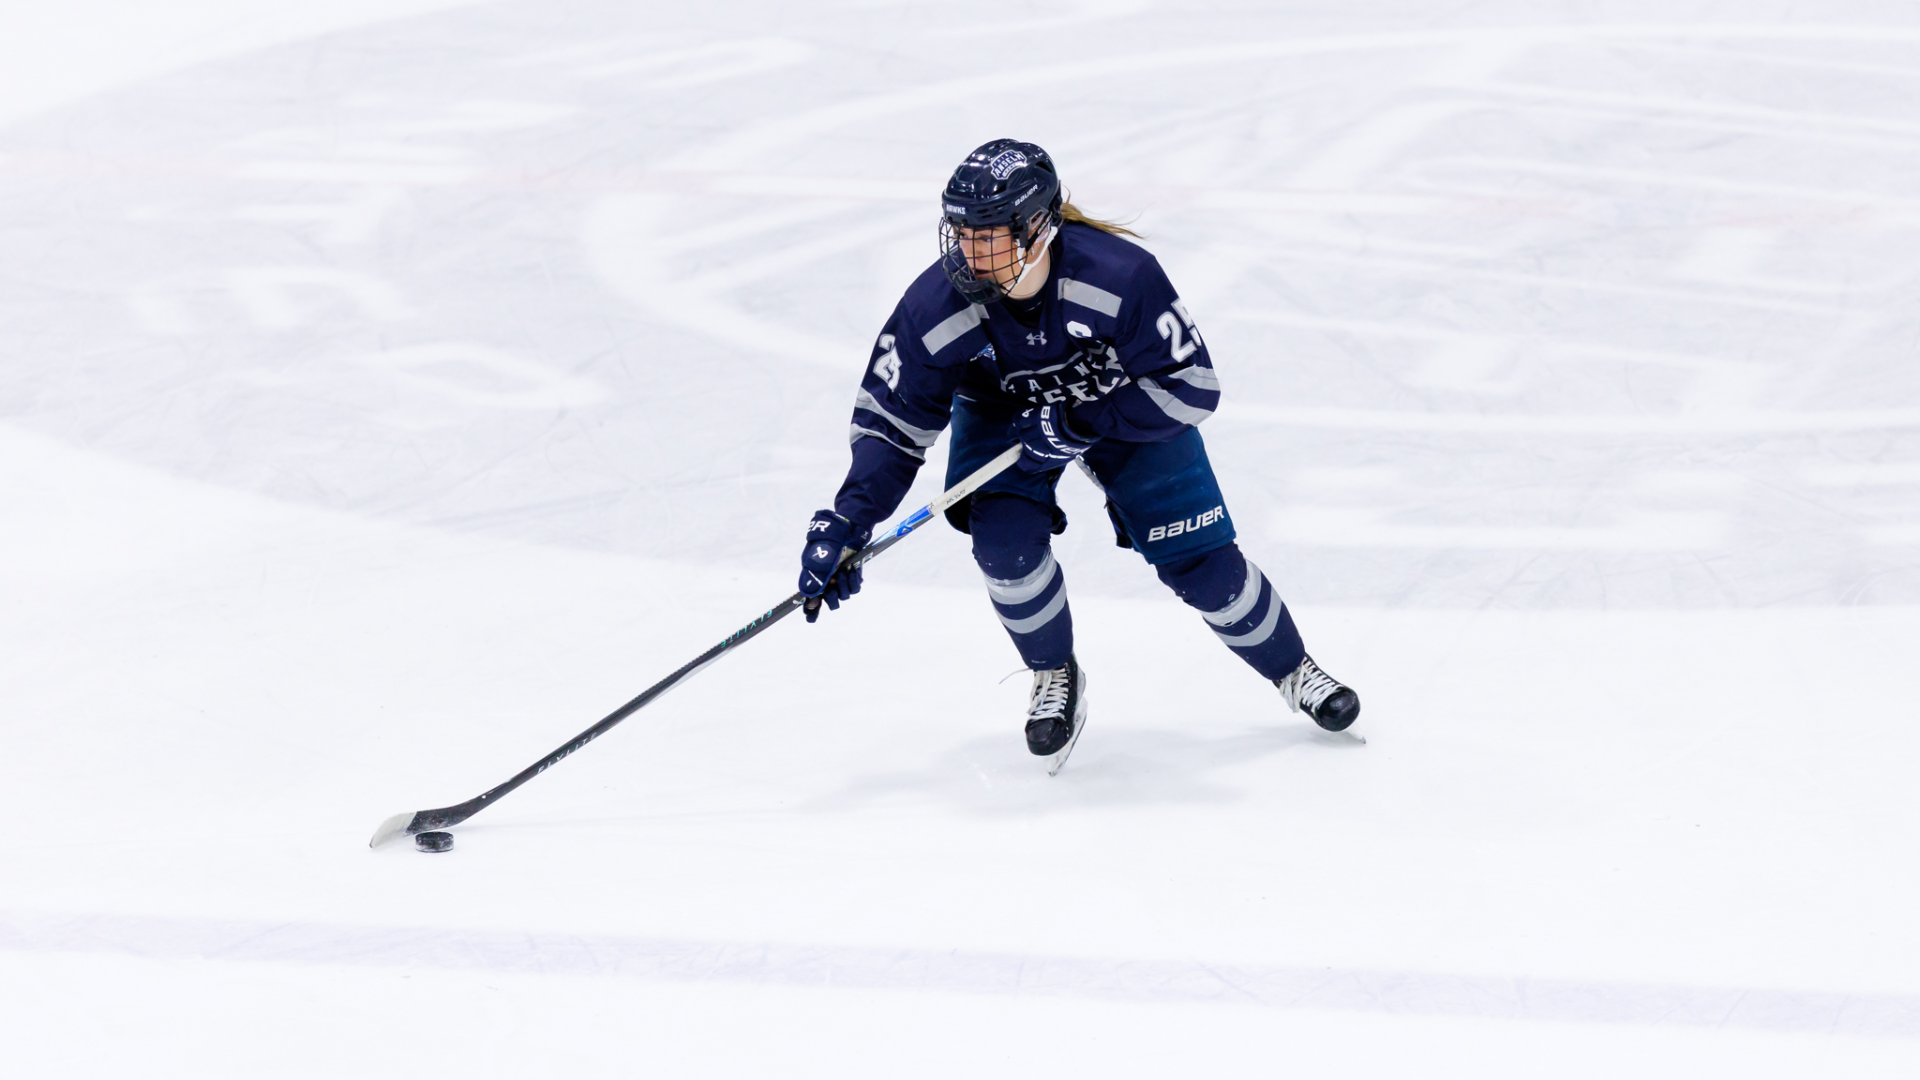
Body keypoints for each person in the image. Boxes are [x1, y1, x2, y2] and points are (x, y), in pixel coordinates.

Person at [797, 138, 1360, 771]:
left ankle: (1294, 668)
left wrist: (1083, 417)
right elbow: (891, 424)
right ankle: (1053, 673)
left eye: (989, 235)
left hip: (1122, 409)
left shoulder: (1120, 278)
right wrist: (849, 520)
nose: (970, 253)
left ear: (1039, 227)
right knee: (1004, 549)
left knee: (1203, 565)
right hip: (1003, 415)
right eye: (961, 234)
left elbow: (1192, 387)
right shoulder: (934, 307)